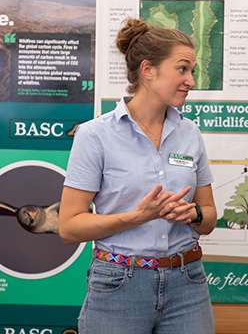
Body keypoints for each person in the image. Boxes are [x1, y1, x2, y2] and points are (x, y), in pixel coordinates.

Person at [59, 18, 217, 333]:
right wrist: (136, 217)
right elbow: (69, 226)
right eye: (182, 69)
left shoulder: (189, 133)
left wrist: (193, 213)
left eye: (192, 71)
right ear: (148, 70)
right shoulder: (95, 136)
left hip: (188, 283)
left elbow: (210, 217)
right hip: (118, 286)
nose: (191, 81)